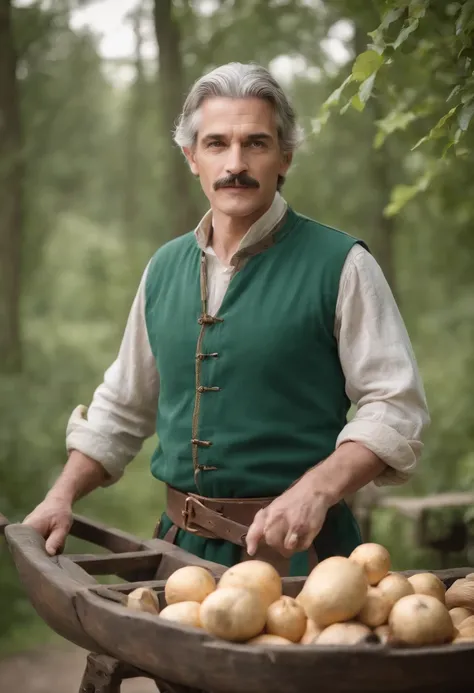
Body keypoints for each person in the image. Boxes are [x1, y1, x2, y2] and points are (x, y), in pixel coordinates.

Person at [23, 62, 430, 576]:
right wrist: (61, 495)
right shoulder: (163, 269)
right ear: (192, 157)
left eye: (256, 143)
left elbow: (395, 407)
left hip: (303, 559)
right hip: (178, 558)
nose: (235, 163)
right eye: (216, 144)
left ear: (285, 155)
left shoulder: (342, 264)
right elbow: (121, 409)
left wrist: (316, 490)